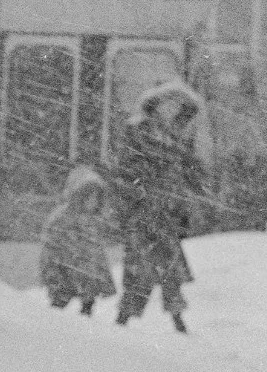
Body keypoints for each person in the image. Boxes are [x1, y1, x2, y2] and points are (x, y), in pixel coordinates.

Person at [110, 80, 206, 331]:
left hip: (163, 214)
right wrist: (141, 195)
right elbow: (126, 174)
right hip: (143, 214)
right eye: (165, 105)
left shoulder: (170, 133)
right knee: (143, 269)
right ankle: (124, 319)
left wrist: (174, 92)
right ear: (154, 107)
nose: (170, 111)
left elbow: (191, 108)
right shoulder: (138, 132)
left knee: (167, 269)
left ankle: (175, 320)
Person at [38, 165, 117, 315]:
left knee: (87, 309)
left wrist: (103, 278)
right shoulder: (61, 218)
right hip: (64, 275)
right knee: (58, 308)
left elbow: (97, 253)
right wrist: (52, 273)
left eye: (96, 197)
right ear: (80, 195)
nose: (93, 201)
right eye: (89, 196)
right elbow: (50, 249)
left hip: (87, 279)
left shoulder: (94, 221)